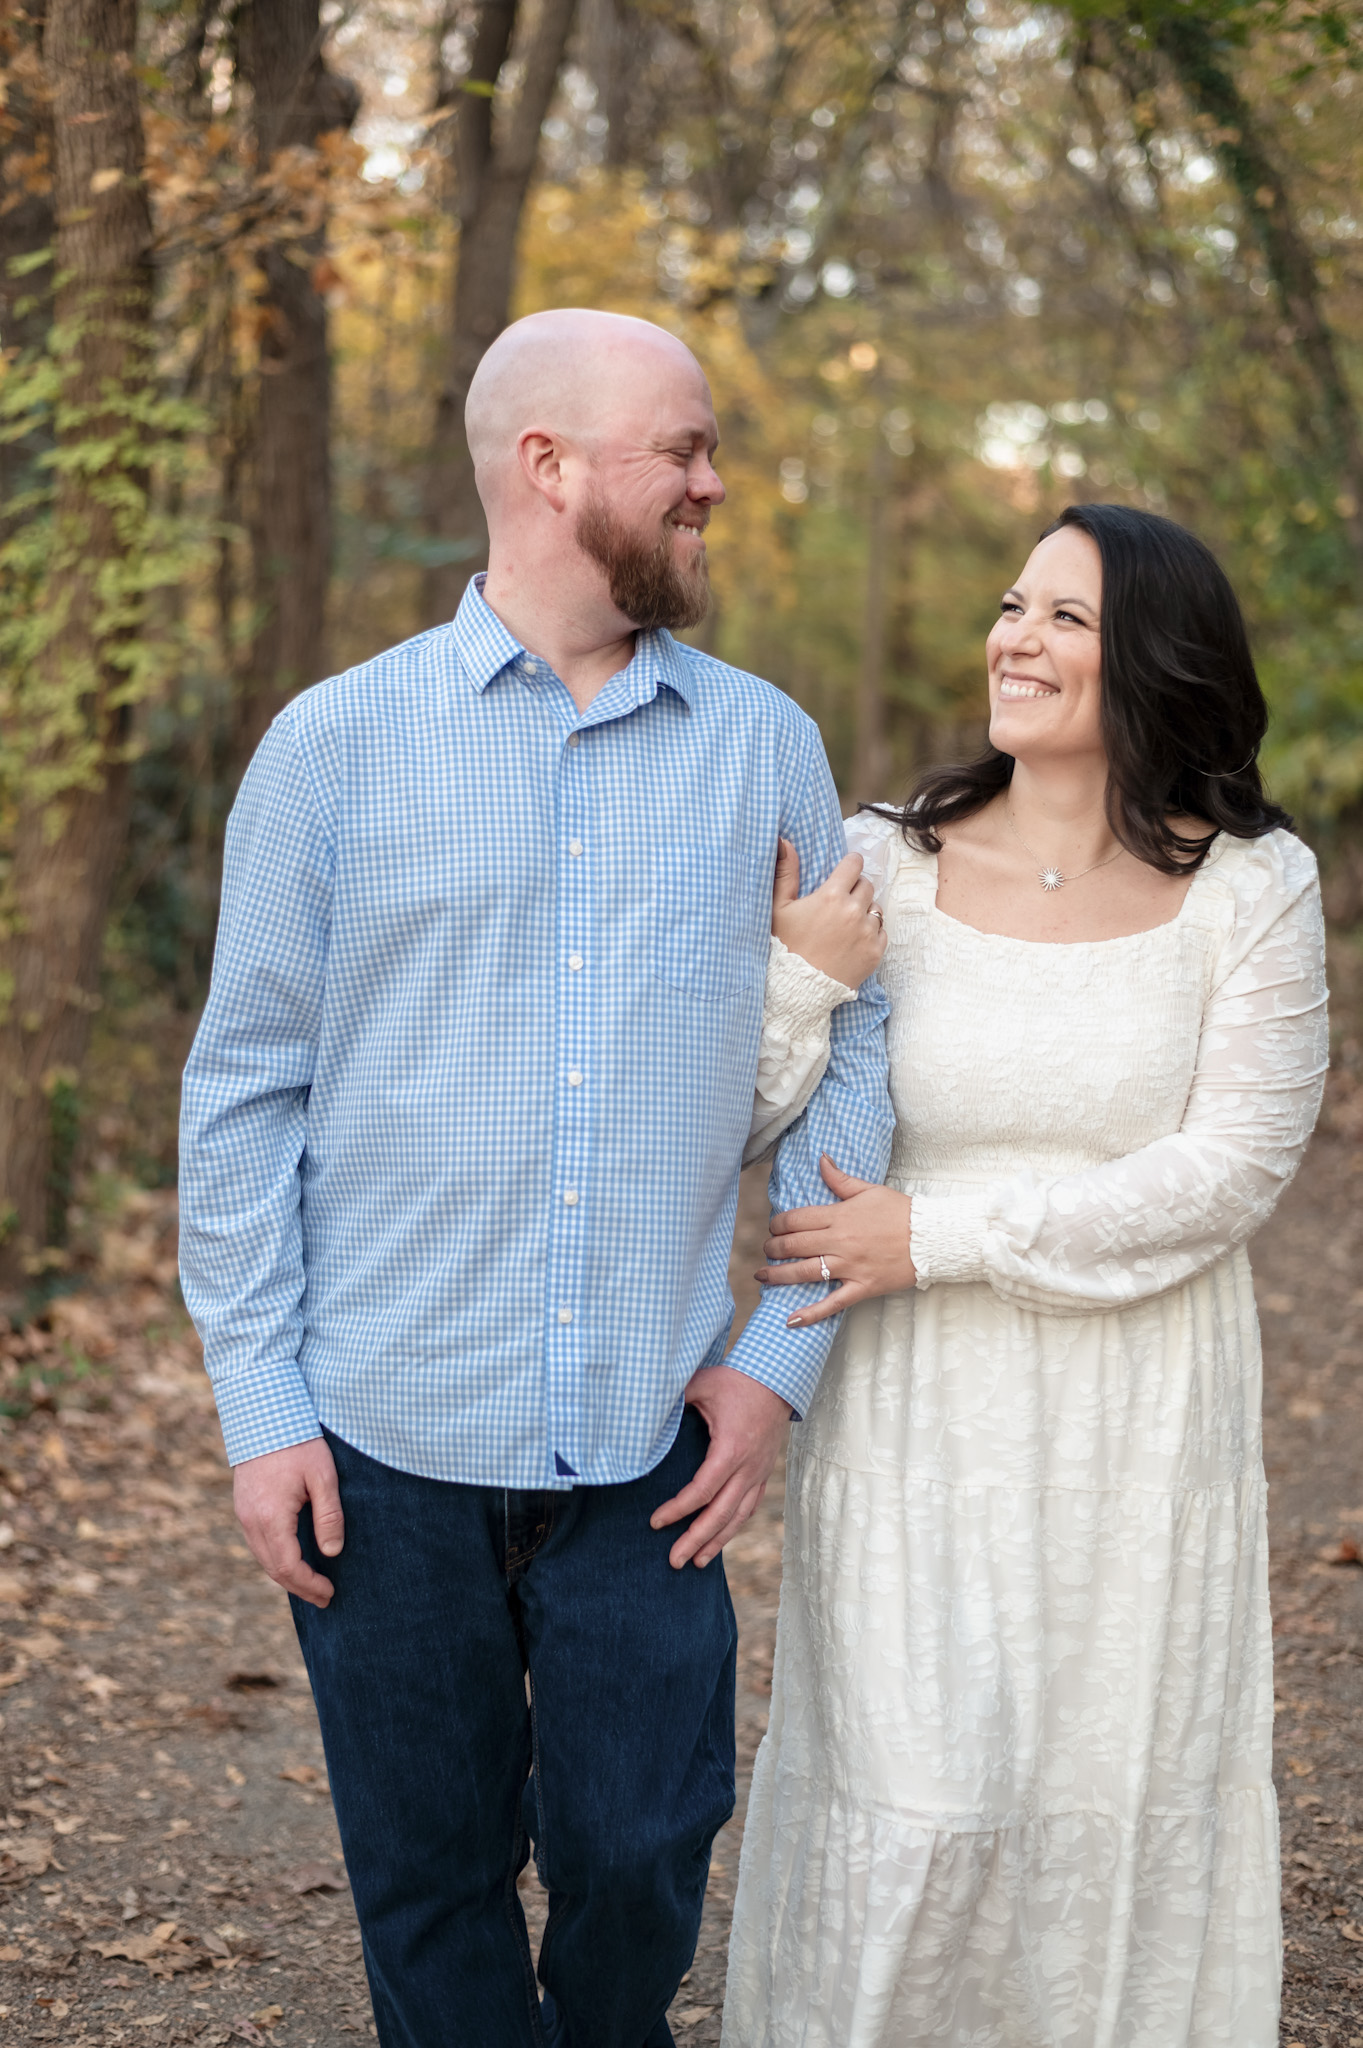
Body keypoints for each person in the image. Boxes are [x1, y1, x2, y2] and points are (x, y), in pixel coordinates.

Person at [178, 307, 895, 2048]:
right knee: (425, 1879)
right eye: (684, 449)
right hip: (383, 1442)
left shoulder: (766, 747)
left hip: (652, 1438)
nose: (714, 484)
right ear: (548, 467)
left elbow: (855, 1053)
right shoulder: (333, 745)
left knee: (644, 1854)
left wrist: (775, 1362)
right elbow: (244, 1090)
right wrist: (263, 1408)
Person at [723, 503, 1329, 2047]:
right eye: (1012, 605)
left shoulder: (1255, 886)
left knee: (1112, 1778)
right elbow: (741, 1121)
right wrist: (798, 985)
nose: (1016, 638)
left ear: (1157, 659)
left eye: (1066, 616)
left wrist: (939, 1238)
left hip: (1142, 1410)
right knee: (911, 1788)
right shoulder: (883, 859)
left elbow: (1231, 1172)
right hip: (918, 1414)